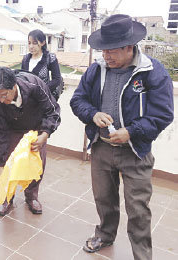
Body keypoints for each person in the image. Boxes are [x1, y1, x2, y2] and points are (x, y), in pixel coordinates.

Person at [70, 14, 174, 260]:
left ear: (129, 47)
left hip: (135, 151)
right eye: (103, 50)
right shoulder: (96, 69)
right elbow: (78, 100)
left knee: (138, 208)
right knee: (104, 198)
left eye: (111, 51)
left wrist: (132, 131)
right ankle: (105, 234)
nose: (106, 56)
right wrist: (93, 114)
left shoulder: (151, 71)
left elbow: (162, 114)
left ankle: (142, 254)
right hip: (102, 147)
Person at [0, 67, 61, 216]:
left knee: (37, 163)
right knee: (9, 165)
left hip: (36, 128)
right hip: (11, 129)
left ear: (14, 86)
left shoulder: (35, 86)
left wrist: (45, 134)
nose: (1, 100)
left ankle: (31, 196)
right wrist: (1, 163)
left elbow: (52, 111)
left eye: (4, 95)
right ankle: (7, 198)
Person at [21, 29, 63, 101]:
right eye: (29, 43)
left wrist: (42, 90)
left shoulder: (50, 57)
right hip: (28, 99)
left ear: (43, 43)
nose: (31, 46)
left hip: (44, 99)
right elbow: (22, 78)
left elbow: (56, 79)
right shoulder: (25, 59)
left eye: (34, 43)